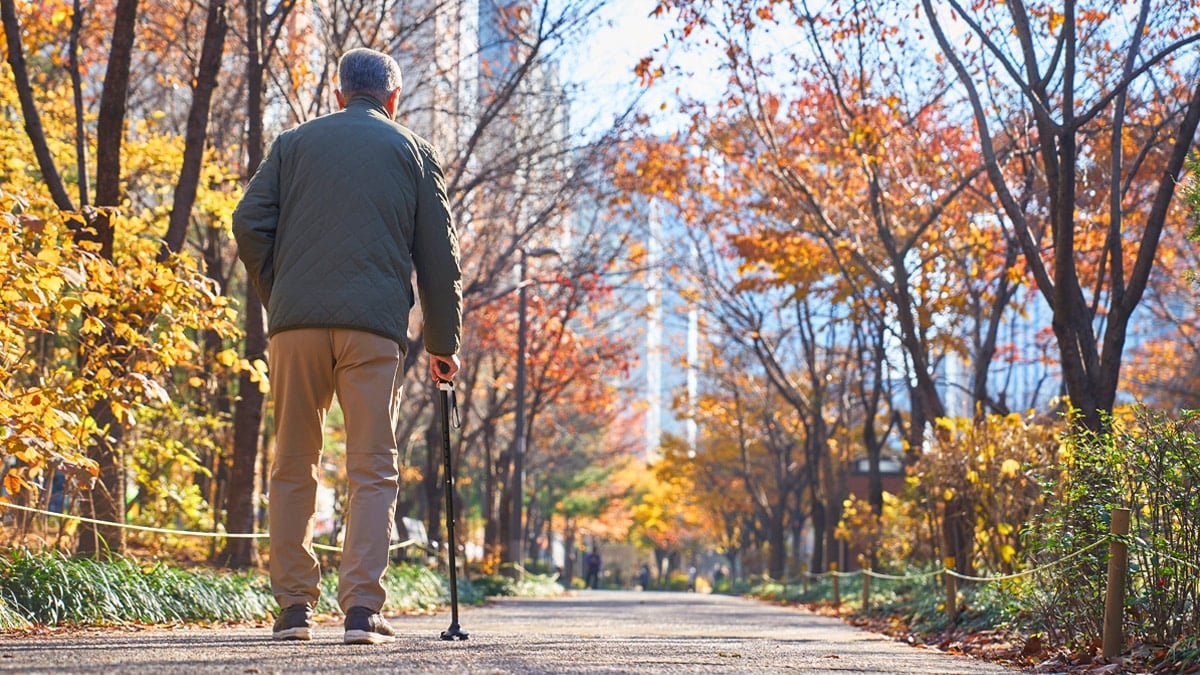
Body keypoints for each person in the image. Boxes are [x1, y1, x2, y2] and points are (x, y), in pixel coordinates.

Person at [232, 47, 462, 645]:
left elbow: (248, 223)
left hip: (295, 328)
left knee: (292, 462)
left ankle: (293, 610)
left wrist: (280, 296)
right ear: (392, 99)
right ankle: (361, 610)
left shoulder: (292, 144)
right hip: (373, 330)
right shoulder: (411, 150)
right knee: (371, 467)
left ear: (338, 95)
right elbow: (438, 258)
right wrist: (443, 343)